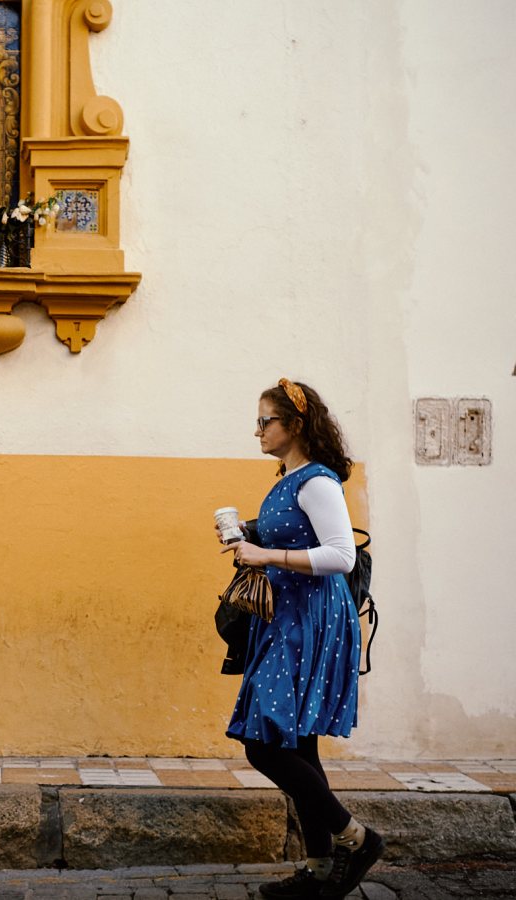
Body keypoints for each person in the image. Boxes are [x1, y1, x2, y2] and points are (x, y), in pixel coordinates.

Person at [221, 378, 384, 899]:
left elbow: (341, 555)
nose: (258, 431)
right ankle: (317, 871)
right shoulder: (286, 479)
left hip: (310, 621)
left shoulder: (317, 481)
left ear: (295, 424)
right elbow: (296, 537)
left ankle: (356, 839)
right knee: (297, 743)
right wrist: (248, 536)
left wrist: (265, 556)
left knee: (262, 744)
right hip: (284, 617)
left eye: (265, 420)